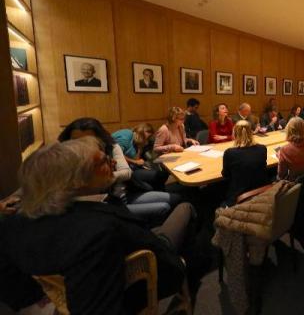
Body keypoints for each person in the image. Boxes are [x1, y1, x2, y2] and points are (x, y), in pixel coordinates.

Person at [0, 138, 194, 314]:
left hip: (56, 294)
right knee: (185, 208)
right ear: (75, 180)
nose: (113, 162)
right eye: (102, 161)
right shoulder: (97, 232)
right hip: (153, 268)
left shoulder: (13, 223)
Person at [59, 118, 179, 225]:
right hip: (110, 205)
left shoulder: (111, 147)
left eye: (89, 140)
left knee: (176, 198)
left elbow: (126, 172)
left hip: (128, 191)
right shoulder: (68, 163)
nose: (84, 146)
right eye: (77, 142)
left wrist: (102, 177)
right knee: (164, 206)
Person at [112, 123, 170, 192]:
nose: (147, 138)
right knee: (150, 186)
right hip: (119, 170)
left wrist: (140, 147)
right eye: (147, 132)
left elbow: (137, 159)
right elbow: (117, 156)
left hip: (132, 168)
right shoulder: (127, 134)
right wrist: (135, 162)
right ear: (140, 130)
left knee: (162, 175)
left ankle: (161, 194)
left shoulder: (138, 143)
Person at [221, 121, 268, 206]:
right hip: (261, 192)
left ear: (234, 134)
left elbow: (225, 175)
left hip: (240, 198)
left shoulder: (230, 153)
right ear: (251, 133)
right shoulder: (262, 149)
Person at [277, 117, 304, 181]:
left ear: (289, 130)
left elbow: (281, 175)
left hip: (295, 185)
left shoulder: (285, 150)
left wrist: (281, 157)